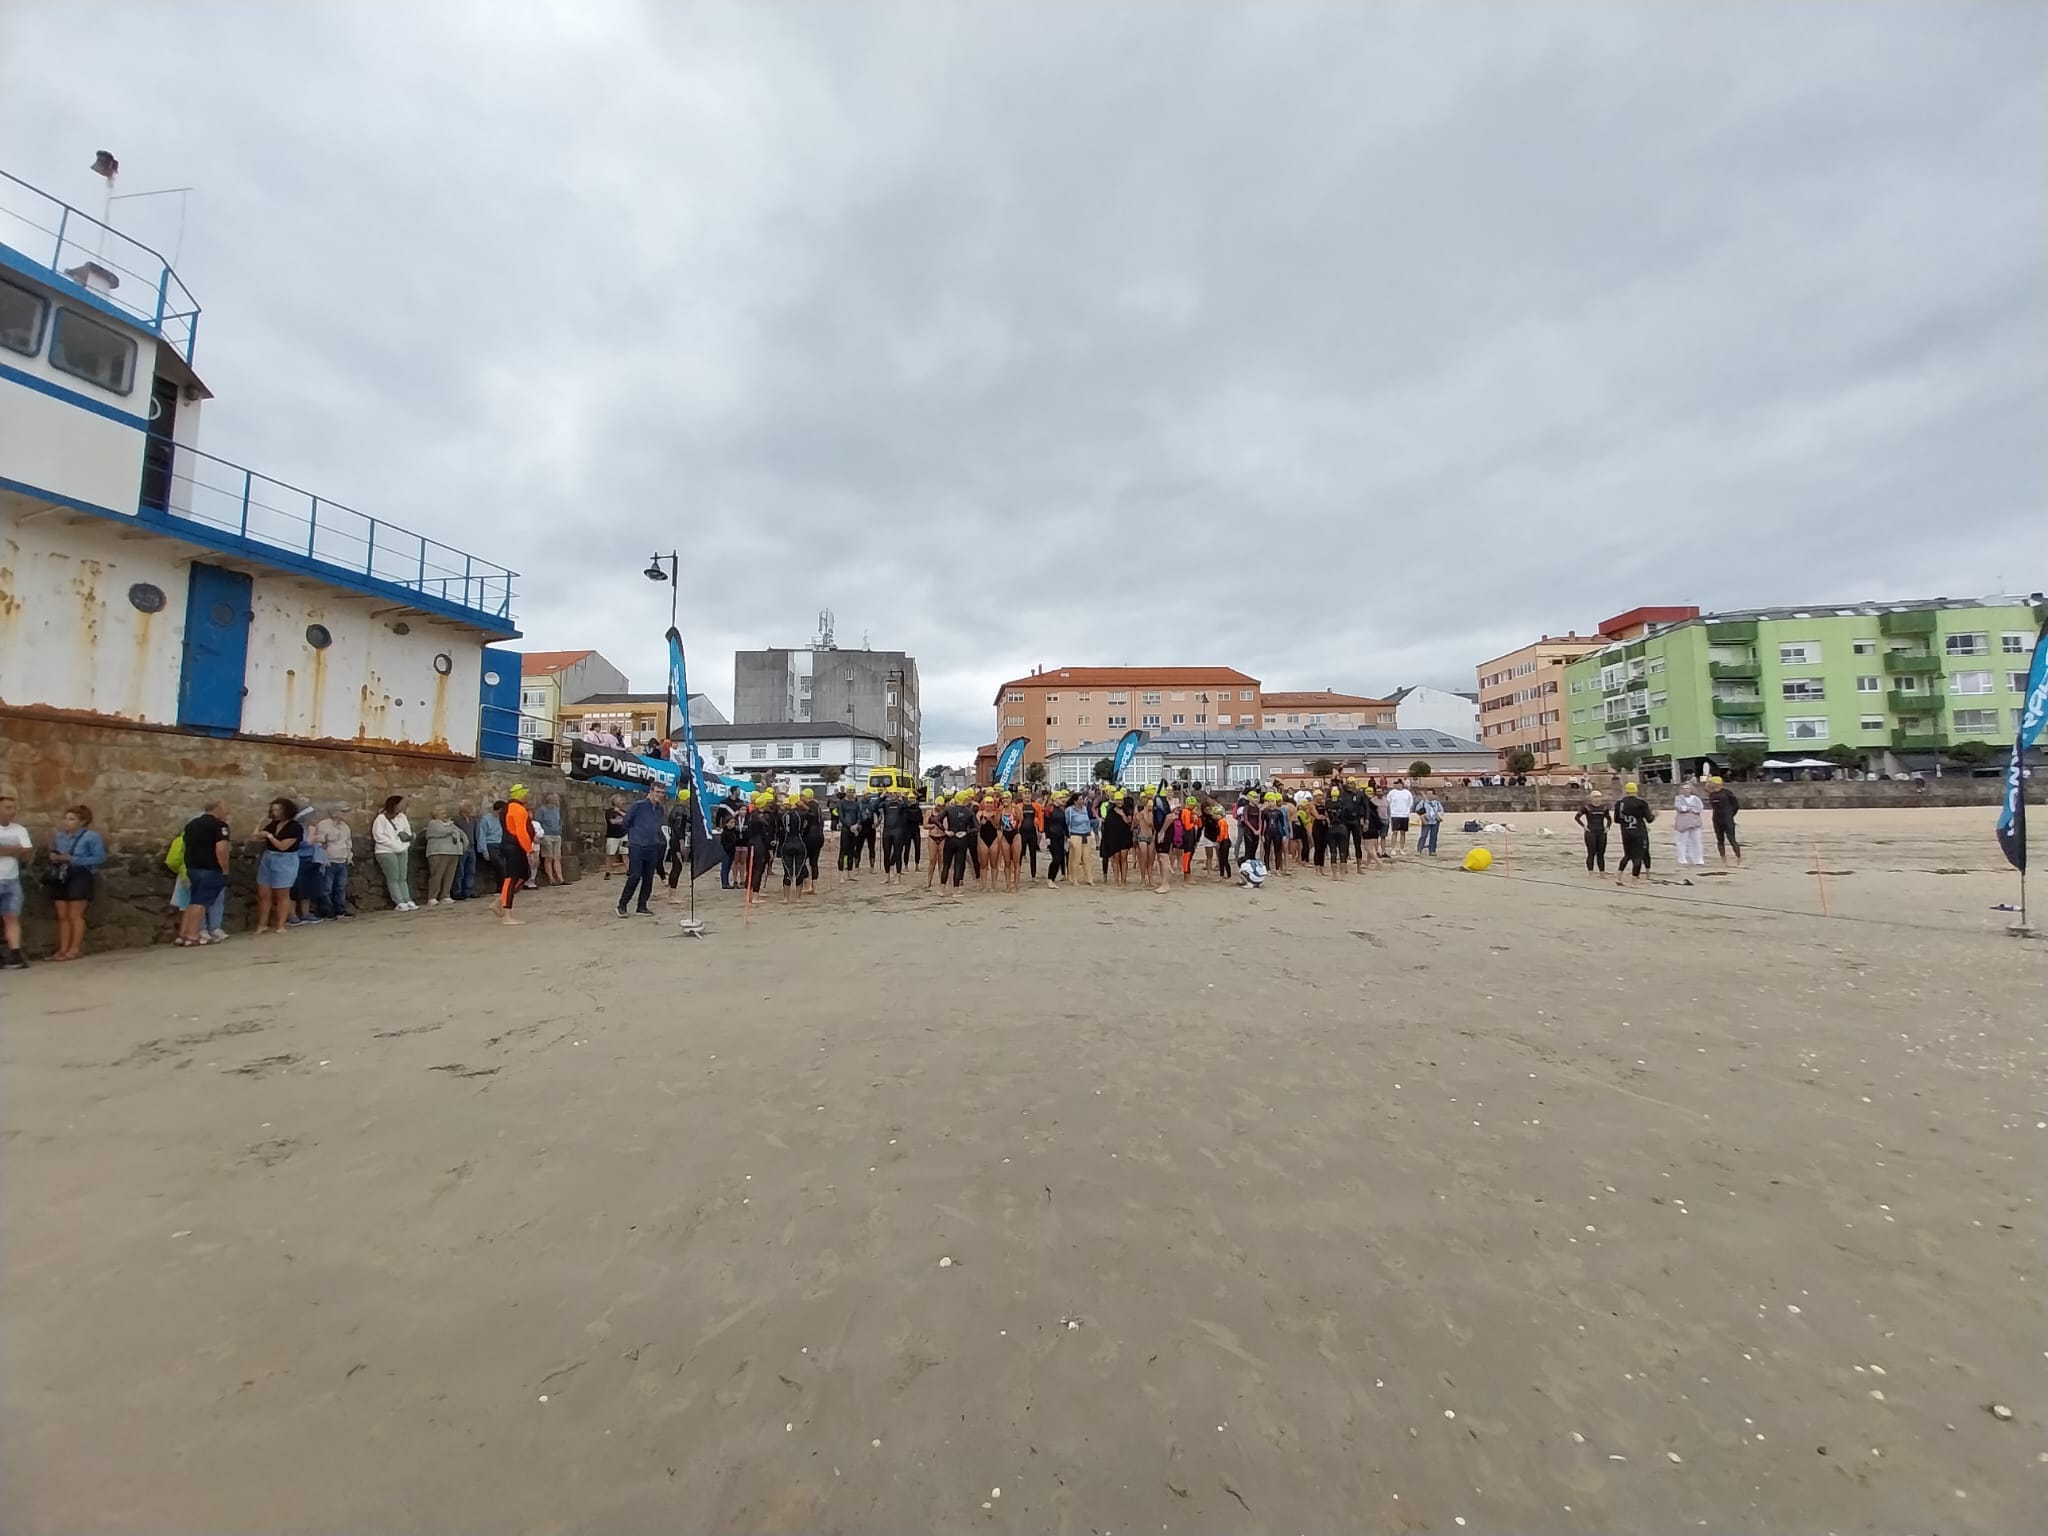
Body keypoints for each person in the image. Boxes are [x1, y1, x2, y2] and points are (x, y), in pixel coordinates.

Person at [47, 804, 105, 960]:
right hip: (62, 874)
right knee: (62, 914)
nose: (67, 822)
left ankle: (75, 948)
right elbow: (55, 852)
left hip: (80, 874)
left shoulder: (91, 837)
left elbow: (99, 858)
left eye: (72, 819)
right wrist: (55, 857)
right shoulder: (60, 837)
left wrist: (74, 859)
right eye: (66, 818)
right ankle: (63, 949)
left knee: (75, 914)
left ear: (83, 821)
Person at [176, 800, 234, 948]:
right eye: (225, 809)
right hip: (210, 868)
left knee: (193, 900)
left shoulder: (192, 825)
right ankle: (193, 935)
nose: (227, 812)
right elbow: (221, 849)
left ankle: (185, 935)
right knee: (200, 903)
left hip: (193, 867)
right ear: (217, 809)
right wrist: (225, 869)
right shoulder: (219, 826)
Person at [252, 798, 304, 934]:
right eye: (273, 810)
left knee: (282, 894)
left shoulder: (295, 827)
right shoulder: (273, 824)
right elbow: (255, 836)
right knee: (264, 893)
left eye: (278, 809)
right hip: (269, 857)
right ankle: (262, 924)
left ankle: (281, 924)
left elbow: (282, 846)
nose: (275, 812)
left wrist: (269, 836)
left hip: (285, 860)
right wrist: (259, 823)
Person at [617, 783, 666, 916]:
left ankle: (642, 905)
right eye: (657, 792)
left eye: (662, 792)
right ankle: (622, 904)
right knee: (635, 875)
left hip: (652, 845)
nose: (660, 795)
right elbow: (626, 822)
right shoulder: (638, 806)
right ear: (651, 791)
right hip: (637, 845)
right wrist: (635, 835)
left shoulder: (660, 809)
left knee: (648, 877)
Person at [497, 785, 535, 925]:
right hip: (514, 846)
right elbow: (521, 832)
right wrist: (529, 849)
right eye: (526, 794)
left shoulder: (509, 807)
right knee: (511, 878)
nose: (528, 796)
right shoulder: (517, 809)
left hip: (513, 845)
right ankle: (506, 914)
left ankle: (500, 902)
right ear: (520, 794)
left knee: (523, 875)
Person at [372, 795, 417, 911]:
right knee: (393, 877)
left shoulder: (402, 817)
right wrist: (393, 844)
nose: (405, 805)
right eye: (402, 803)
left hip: (402, 849)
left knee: (403, 876)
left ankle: (407, 899)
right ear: (395, 805)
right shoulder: (381, 818)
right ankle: (399, 901)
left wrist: (404, 844)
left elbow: (407, 832)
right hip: (386, 851)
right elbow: (378, 836)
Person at [0, 792, 29, 969]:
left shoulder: (20, 830)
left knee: (12, 916)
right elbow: (20, 850)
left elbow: (26, 852)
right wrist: (14, 849)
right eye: (8, 808)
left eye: (14, 808)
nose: (12, 811)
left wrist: (4, 850)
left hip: (12, 879)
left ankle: (15, 954)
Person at [312, 805, 353, 918]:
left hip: (342, 859)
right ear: (334, 812)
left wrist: (349, 857)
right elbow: (319, 842)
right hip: (329, 860)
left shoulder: (345, 827)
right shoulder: (323, 825)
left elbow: (348, 843)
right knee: (326, 888)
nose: (345, 814)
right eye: (342, 811)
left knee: (340, 887)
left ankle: (340, 909)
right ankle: (327, 910)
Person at [422, 806, 469, 906]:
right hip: (439, 852)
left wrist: (464, 842)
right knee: (437, 875)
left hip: (453, 852)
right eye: (442, 813)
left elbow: (461, 832)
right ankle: (432, 897)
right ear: (435, 815)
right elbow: (442, 832)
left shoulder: (450, 824)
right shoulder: (433, 823)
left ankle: (445, 895)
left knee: (449, 876)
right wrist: (451, 827)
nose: (445, 815)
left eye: (445, 813)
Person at [289, 802, 324, 926]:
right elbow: (302, 843)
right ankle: (292, 915)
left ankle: (306, 913)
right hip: (298, 859)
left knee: (308, 888)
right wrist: (312, 836)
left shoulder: (308, 827)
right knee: (295, 888)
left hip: (311, 859)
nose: (312, 818)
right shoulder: (296, 828)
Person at [1613, 781, 1655, 882]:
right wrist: (1654, 815)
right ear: (1636, 791)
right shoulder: (1641, 803)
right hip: (1638, 832)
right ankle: (1634, 881)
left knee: (1627, 855)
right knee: (1638, 856)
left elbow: (1616, 820)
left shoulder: (1619, 803)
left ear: (1626, 791)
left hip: (1626, 832)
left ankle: (1618, 876)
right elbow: (1649, 819)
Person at [1574, 789, 1611, 875]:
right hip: (1591, 832)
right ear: (1591, 798)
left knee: (1601, 854)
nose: (1597, 799)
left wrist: (1608, 827)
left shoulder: (1604, 808)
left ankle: (1602, 873)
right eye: (1595, 797)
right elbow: (1577, 817)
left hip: (1601, 832)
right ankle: (1591, 872)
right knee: (1591, 853)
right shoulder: (1587, 808)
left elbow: (1609, 819)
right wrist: (1584, 826)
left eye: (1599, 797)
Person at [1672, 779, 1707, 869]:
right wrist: (1689, 808)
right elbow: (1680, 808)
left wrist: (1688, 808)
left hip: (1695, 822)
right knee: (1682, 841)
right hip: (1682, 822)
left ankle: (1698, 859)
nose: (1686, 790)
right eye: (1684, 788)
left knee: (1696, 841)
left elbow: (1699, 808)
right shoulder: (1678, 798)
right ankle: (1682, 858)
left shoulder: (1696, 799)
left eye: (1688, 788)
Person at [1708, 777, 1742, 864]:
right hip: (1716, 819)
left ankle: (1738, 857)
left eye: (1711, 782)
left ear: (1716, 783)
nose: (1709, 784)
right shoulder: (1712, 794)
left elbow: (1735, 805)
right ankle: (1723, 858)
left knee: (1731, 839)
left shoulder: (1727, 793)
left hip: (1727, 819)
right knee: (1720, 839)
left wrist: (1730, 815)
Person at [1063, 793, 1095, 884]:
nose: (1082, 801)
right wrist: (1068, 836)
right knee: (1075, 857)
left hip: (1086, 834)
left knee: (1087, 858)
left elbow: (1088, 821)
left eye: (1082, 799)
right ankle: (1074, 878)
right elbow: (1067, 823)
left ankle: (1089, 878)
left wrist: (1089, 832)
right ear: (1075, 801)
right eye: (1080, 799)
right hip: (1075, 834)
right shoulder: (1069, 810)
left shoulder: (1084, 808)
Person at [452, 800, 481, 901]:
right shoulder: (456, 820)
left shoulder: (473, 820)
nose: (471, 808)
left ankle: (469, 890)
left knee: (471, 870)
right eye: (468, 806)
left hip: (471, 846)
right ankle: (457, 891)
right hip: (461, 847)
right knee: (460, 870)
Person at [535, 792, 566, 886]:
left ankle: (560, 878)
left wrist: (559, 829)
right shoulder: (542, 810)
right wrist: (541, 834)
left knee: (557, 857)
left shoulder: (556, 810)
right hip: (547, 835)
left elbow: (559, 821)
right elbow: (538, 823)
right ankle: (551, 878)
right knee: (548, 857)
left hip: (556, 835)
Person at [1386, 780, 1415, 855]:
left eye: (1398, 784)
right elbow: (1388, 802)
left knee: (1403, 832)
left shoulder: (1407, 793)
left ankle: (1401, 848)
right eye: (1396, 784)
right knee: (1395, 832)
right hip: (1395, 814)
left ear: (1402, 784)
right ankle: (1393, 848)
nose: (1397, 785)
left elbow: (1410, 803)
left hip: (1404, 815)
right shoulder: (1392, 793)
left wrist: (1407, 810)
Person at [603, 796, 628, 878]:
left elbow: (628, 819)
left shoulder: (623, 811)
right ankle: (608, 872)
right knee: (610, 854)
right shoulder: (609, 812)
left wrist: (620, 813)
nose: (622, 801)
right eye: (619, 800)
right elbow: (612, 821)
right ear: (614, 801)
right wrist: (622, 820)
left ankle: (628, 870)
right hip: (612, 837)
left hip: (624, 835)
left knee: (625, 853)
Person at [1416, 789, 1444, 857]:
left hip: (1435, 821)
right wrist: (1422, 816)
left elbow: (1441, 811)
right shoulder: (1423, 802)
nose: (1429, 795)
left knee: (1433, 836)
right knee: (1423, 835)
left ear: (1434, 795)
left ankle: (1432, 850)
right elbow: (1418, 810)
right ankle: (1419, 850)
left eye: (1430, 794)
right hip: (1426, 821)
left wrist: (1438, 816)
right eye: (1427, 794)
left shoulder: (1437, 803)